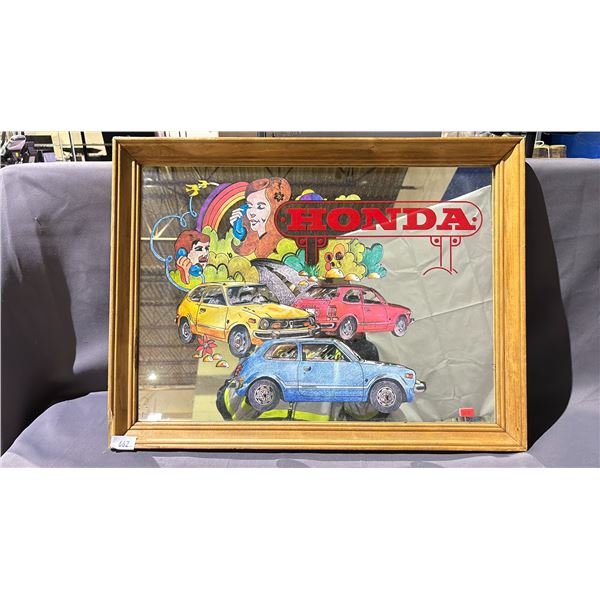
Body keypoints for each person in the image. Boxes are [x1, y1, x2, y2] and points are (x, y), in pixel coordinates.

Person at [229, 177, 291, 258]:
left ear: (275, 210)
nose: (251, 213)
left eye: (260, 207)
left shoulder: (283, 245)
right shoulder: (252, 240)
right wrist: (239, 232)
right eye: (249, 206)